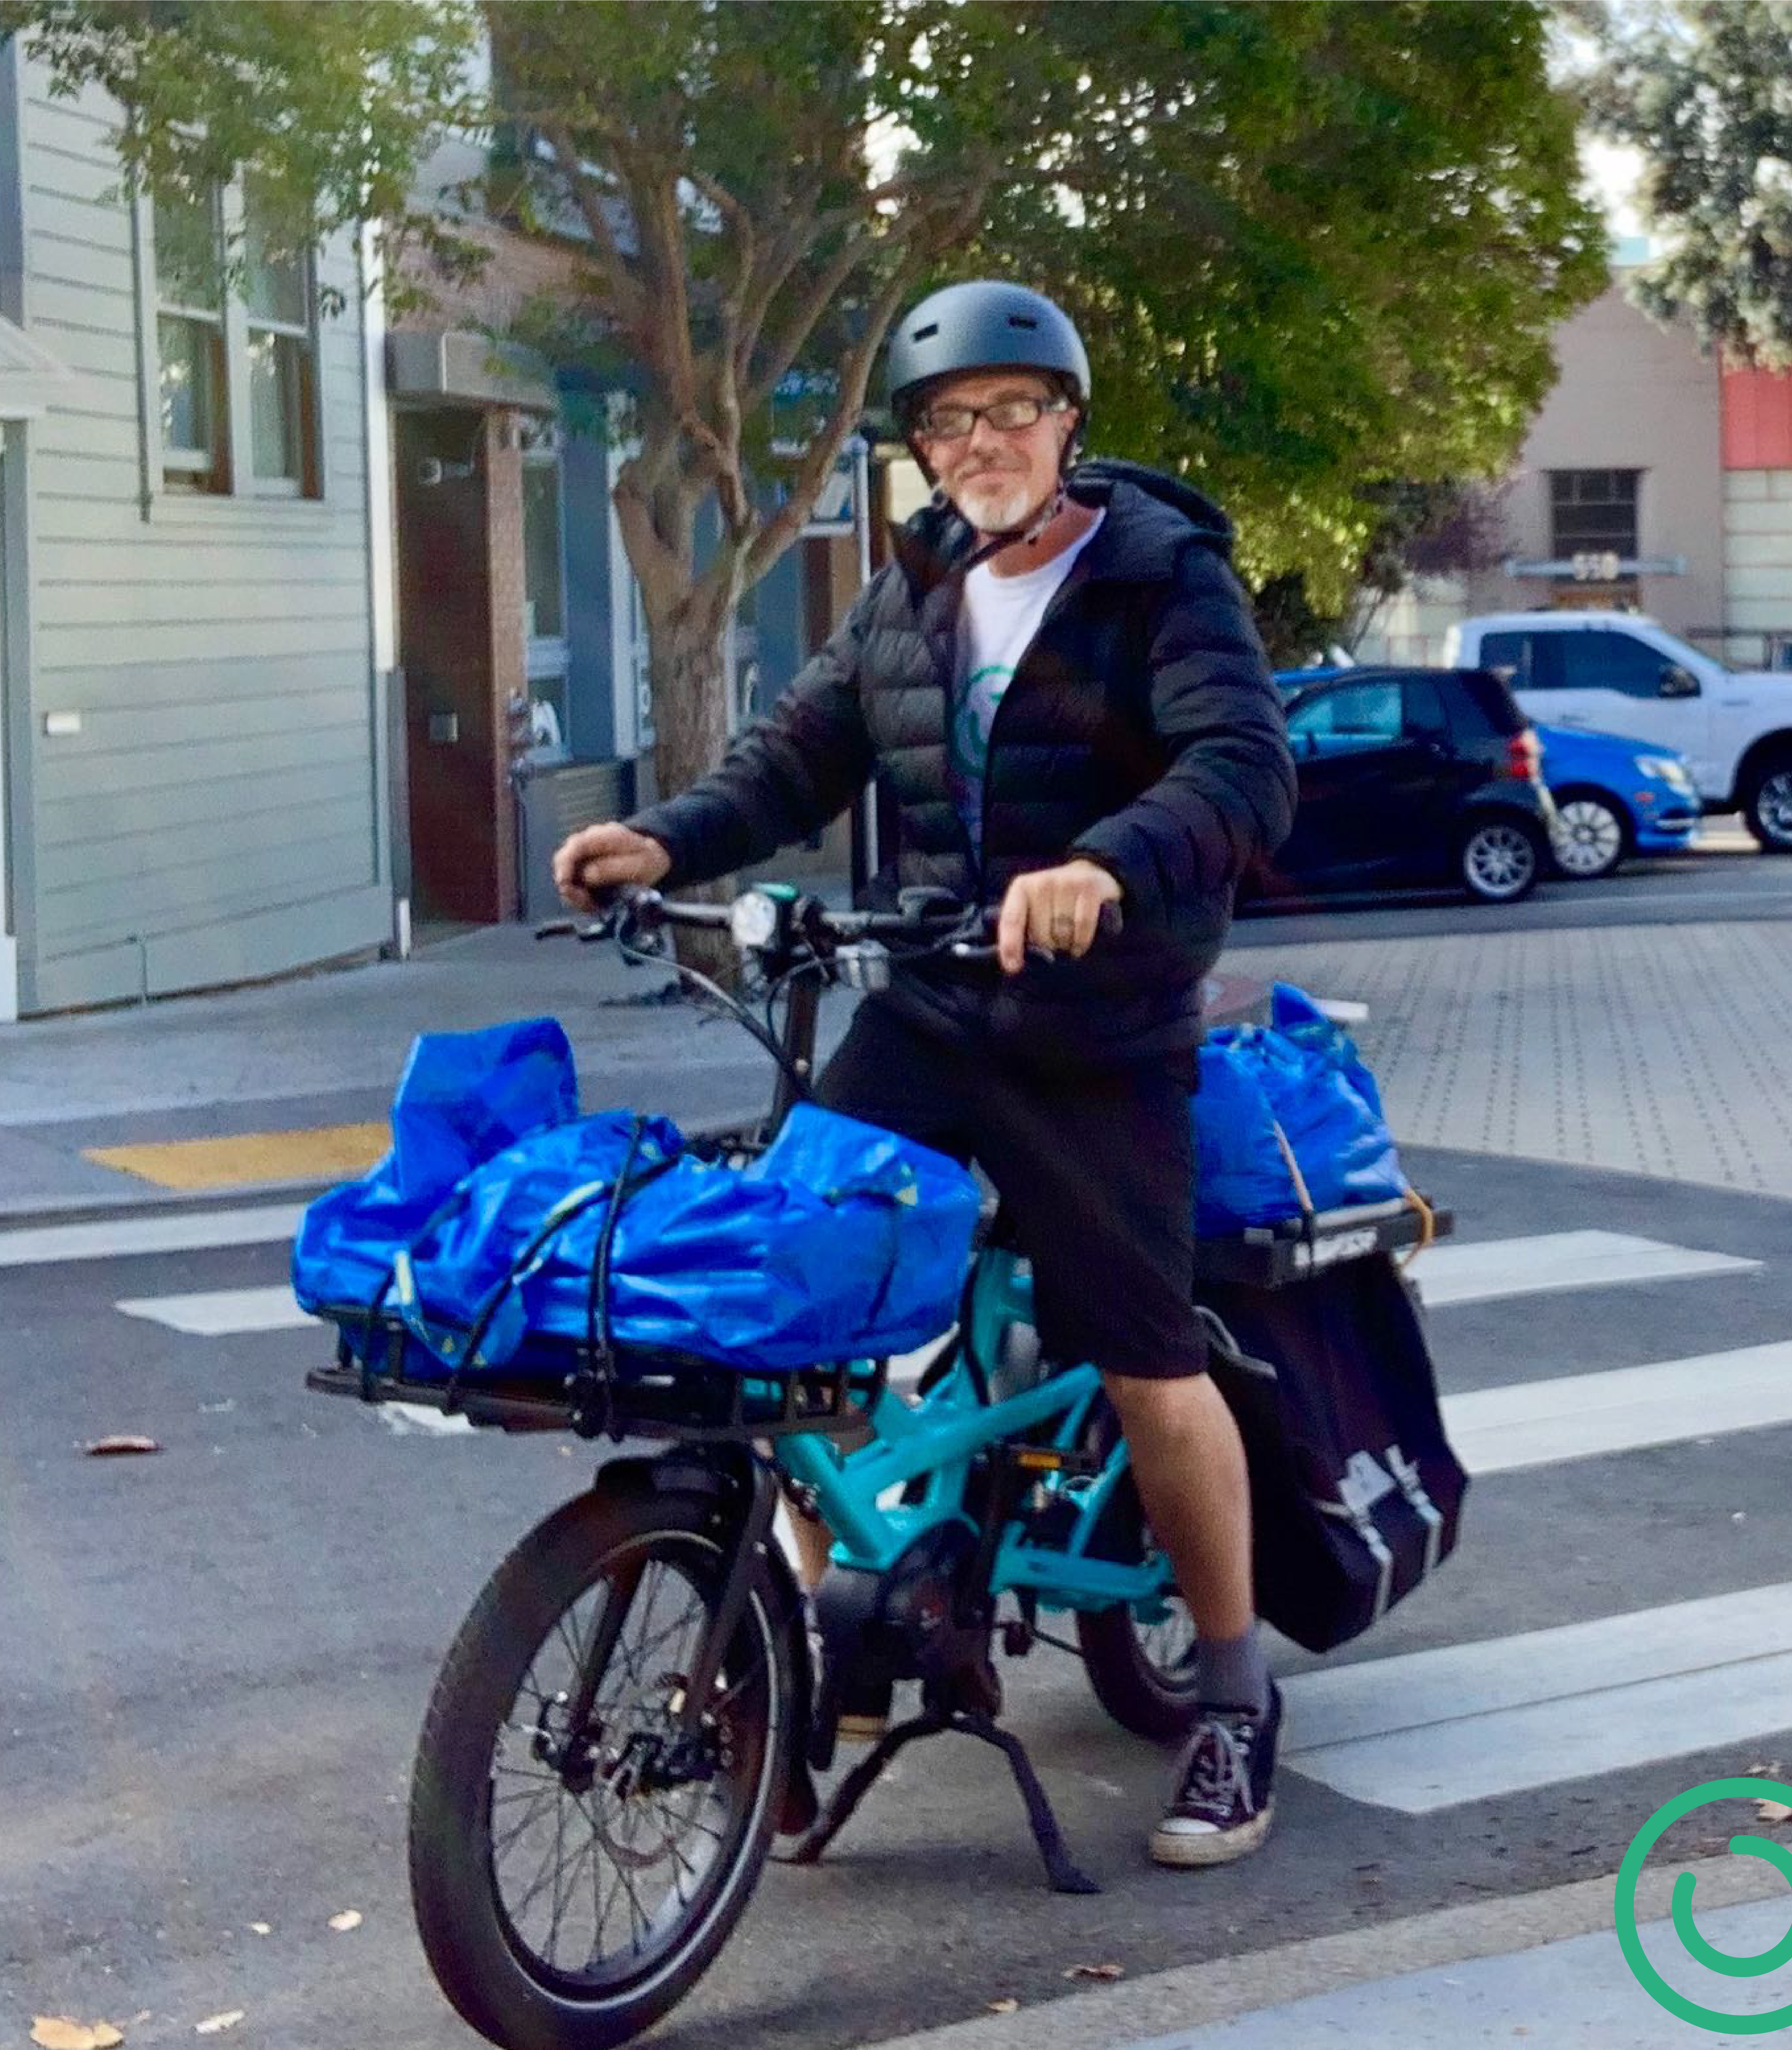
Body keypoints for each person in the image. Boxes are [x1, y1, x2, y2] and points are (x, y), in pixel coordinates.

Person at [552, 280, 1297, 1867]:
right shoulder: (914, 590)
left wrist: (1106, 862)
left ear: (1066, 421)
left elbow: (1240, 768)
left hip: (1096, 1035)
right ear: (919, 450)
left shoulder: (1160, 577)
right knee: (784, 1309)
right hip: (933, 1006)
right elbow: (796, 754)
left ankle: (1234, 1703)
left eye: (1010, 410)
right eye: (948, 422)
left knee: (1146, 1355)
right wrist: (665, 838)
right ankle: (851, 1623)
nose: (980, 443)